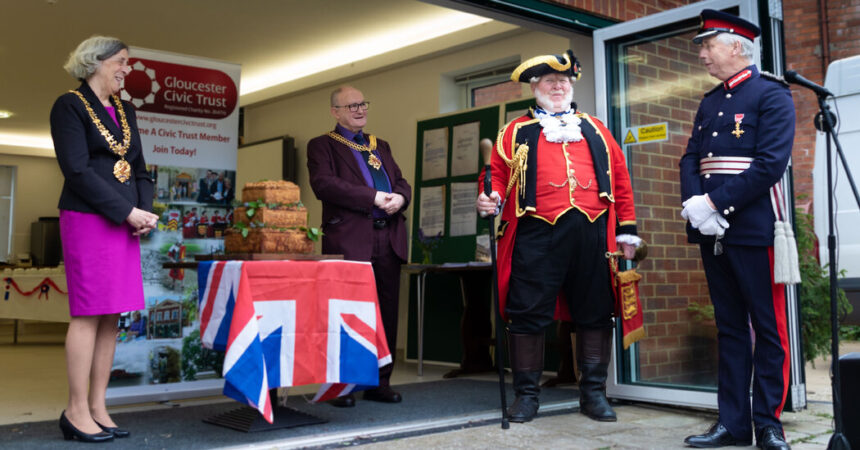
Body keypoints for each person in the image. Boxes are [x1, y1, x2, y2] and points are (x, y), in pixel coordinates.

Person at [476, 50, 640, 423]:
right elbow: (498, 176)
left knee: (596, 312)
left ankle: (593, 395)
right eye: (549, 82)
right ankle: (527, 397)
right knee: (527, 312)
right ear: (535, 87)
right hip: (536, 232)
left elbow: (621, 179)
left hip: (593, 231)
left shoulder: (596, 128)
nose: (557, 87)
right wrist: (491, 196)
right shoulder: (515, 131)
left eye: (563, 82)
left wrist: (626, 228)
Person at [679, 10, 794, 450]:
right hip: (712, 228)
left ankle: (769, 424)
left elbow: (770, 164)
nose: (703, 54)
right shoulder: (709, 102)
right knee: (728, 327)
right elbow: (691, 157)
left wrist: (714, 202)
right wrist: (694, 204)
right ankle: (733, 423)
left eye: (708, 46)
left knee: (767, 328)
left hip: (752, 226)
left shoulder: (771, 95)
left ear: (735, 47)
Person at [50, 35, 158, 442]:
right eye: (122, 62)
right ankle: (75, 409)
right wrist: (126, 211)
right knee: (88, 313)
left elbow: (141, 170)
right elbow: (76, 170)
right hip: (88, 219)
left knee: (112, 316)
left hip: (124, 220)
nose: (127, 70)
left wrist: (143, 211)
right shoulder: (69, 106)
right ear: (95, 61)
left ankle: (98, 407)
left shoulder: (126, 109)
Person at [307, 86, 411, 407]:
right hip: (350, 240)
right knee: (347, 314)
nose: (359, 110)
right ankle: (342, 385)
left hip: (388, 237)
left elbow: (401, 181)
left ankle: (380, 382)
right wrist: (373, 197)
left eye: (362, 103)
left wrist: (401, 197)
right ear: (334, 112)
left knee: (387, 312)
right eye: (350, 106)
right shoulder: (322, 145)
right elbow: (324, 185)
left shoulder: (381, 146)